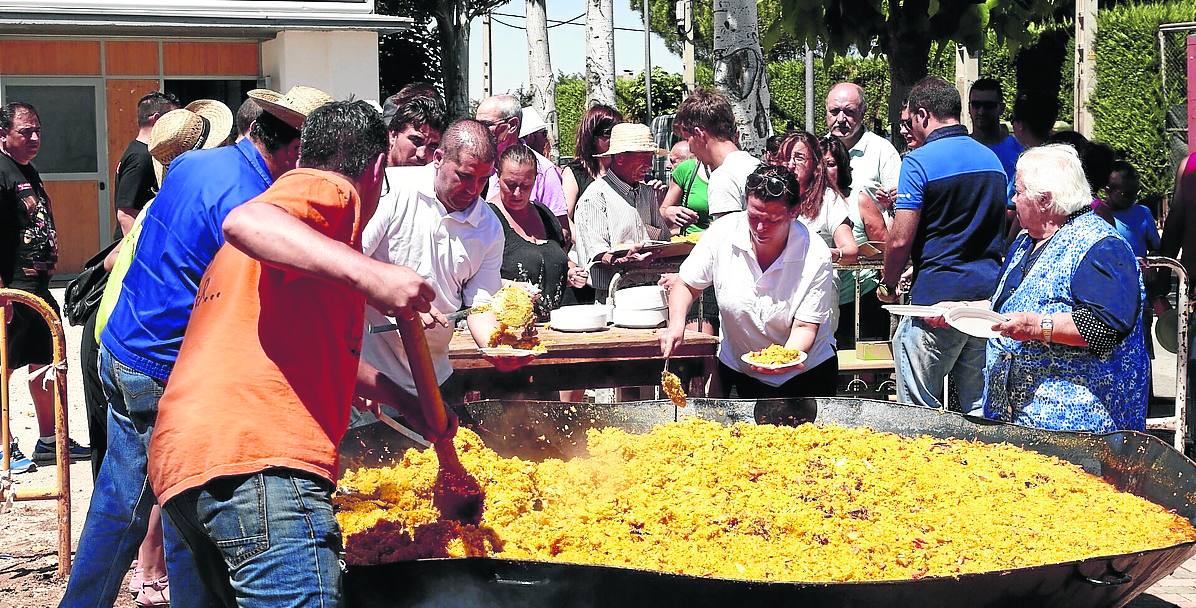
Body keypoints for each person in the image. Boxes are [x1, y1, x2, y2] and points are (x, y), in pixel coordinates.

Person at [147, 99, 443, 606]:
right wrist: (375, 275)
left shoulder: (310, 249)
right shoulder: (329, 189)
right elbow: (244, 222)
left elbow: (327, 357)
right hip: (262, 465)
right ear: (376, 168)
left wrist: (410, 402)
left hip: (188, 465)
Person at [60, 85, 331, 608]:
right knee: (170, 503)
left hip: (121, 346)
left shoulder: (193, 164)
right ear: (294, 149)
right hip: (162, 365)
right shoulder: (253, 204)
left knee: (131, 501)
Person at [91, 100, 234, 608]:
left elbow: (117, 262)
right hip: (158, 362)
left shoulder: (161, 200)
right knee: (182, 498)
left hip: (117, 346)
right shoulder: (214, 198)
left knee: (119, 500)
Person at [357, 119, 525, 425]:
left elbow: (481, 304)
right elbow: (349, 265)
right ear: (438, 159)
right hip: (374, 378)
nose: (474, 189)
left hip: (436, 378)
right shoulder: (390, 191)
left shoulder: (488, 226)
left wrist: (496, 346)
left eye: (483, 180)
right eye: (465, 176)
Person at [981, 144, 1148, 432]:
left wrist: (1037, 327)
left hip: (1079, 434)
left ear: (1044, 200)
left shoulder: (1100, 246)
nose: (1013, 198)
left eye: (1019, 191)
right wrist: (958, 313)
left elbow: (1105, 326)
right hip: (1022, 425)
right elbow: (1008, 306)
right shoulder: (1025, 242)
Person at [877, 77, 1007, 414]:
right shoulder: (992, 161)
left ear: (923, 114)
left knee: (918, 411)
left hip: (935, 303)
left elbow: (901, 236)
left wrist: (888, 284)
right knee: (980, 407)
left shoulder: (918, 162)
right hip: (985, 299)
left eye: (910, 121)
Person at [659, 164, 837, 398]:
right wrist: (676, 325)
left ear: (794, 212)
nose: (760, 228)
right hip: (739, 367)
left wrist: (780, 361)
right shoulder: (723, 232)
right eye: (753, 217)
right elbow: (686, 284)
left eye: (773, 220)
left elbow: (805, 327)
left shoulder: (815, 253)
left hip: (805, 373)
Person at [0, 102, 89, 475]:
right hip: (12, 289)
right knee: (3, 366)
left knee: (45, 363)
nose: (35, 138)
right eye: (25, 132)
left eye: (37, 130)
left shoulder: (26, 170)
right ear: (3, 134)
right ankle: (3, 446)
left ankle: (50, 441)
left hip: (36, 286)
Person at [574, 122, 670, 300]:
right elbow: (597, 252)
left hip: (653, 290)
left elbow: (663, 240)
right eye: (643, 157)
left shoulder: (647, 193)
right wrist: (622, 261)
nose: (649, 165)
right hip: (614, 296)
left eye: (651, 157)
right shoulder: (595, 197)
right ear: (619, 158)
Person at [489, 144, 586, 315]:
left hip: (554, 326)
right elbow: (474, 279)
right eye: (510, 185)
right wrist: (510, 286)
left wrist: (570, 272)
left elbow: (558, 257)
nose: (517, 193)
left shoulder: (544, 214)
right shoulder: (487, 219)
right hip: (509, 327)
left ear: (535, 180)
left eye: (525, 185)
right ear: (498, 176)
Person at [822, 136, 888, 348]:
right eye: (820, 164)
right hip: (821, 300)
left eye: (830, 164)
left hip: (862, 298)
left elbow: (883, 245)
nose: (824, 171)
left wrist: (855, 253)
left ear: (842, 167)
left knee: (863, 371)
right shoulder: (801, 203)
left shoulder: (859, 200)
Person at [476, 95, 567, 233]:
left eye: (485, 125)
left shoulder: (543, 170)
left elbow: (562, 232)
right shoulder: (473, 166)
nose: (477, 131)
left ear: (512, 125)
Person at [673, 87, 760, 218]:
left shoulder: (723, 177)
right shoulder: (758, 165)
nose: (690, 149)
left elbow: (727, 235)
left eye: (688, 139)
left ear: (699, 133)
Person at [1161, 150, 1196, 454]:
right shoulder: (1189, 167)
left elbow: (1175, 223)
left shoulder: (1189, 166)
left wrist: (1159, 286)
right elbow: (1175, 223)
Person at [825, 82, 900, 211]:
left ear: (863, 112)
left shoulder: (883, 151)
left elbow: (898, 203)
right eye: (834, 111)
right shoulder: (815, 150)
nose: (841, 119)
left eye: (849, 112)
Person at [114, 92, 179, 235]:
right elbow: (125, 215)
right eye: (172, 118)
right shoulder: (141, 157)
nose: (176, 125)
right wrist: (138, 253)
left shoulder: (146, 153)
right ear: (156, 119)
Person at [968, 78, 1022, 185]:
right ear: (969, 107)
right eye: (976, 105)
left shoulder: (1019, 152)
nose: (981, 111)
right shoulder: (961, 149)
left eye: (989, 106)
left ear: (1002, 108)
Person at [382, 87, 446, 167]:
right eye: (416, 141)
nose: (422, 154)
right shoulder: (365, 173)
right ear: (392, 136)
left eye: (432, 146)